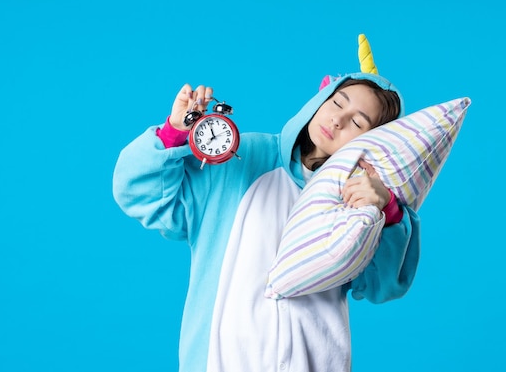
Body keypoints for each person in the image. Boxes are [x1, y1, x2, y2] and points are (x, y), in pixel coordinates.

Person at [112, 71, 421, 371]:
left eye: (357, 122)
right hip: (221, 360)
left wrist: (388, 212)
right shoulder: (247, 156)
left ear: (375, 140)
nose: (338, 120)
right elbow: (142, 194)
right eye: (338, 103)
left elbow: (384, 286)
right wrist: (174, 132)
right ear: (321, 97)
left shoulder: (359, 198)